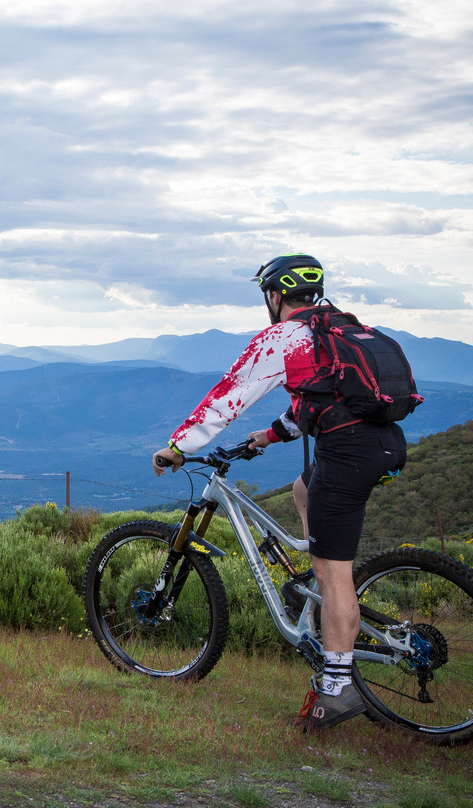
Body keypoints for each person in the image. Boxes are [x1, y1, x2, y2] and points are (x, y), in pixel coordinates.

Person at [151, 254, 407, 732]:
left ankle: (335, 688)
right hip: (384, 445)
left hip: (347, 456)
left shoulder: (285, 337)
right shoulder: (342, 329)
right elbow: (322, 401)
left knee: (336, 574)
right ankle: (319, 588)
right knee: (302, 489)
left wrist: (177, 447)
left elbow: (229, 395)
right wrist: (266, 437)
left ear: (274, 296)